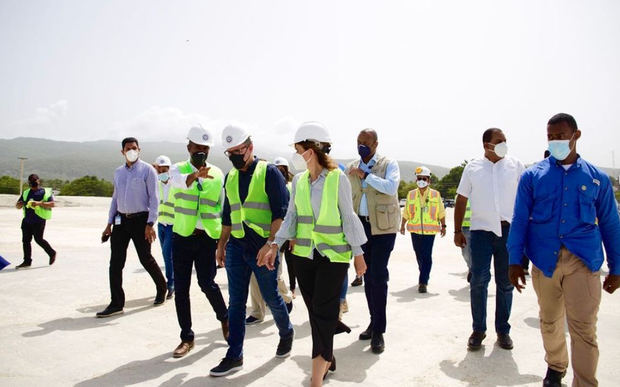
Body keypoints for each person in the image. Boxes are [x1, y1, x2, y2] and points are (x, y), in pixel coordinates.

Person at [508, 113, 620, 387]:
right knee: (549, 321)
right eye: (550, 136)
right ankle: (556, 367)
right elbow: (520, 219)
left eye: (560, 135)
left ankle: (584, 382)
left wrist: (617, 268)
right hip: (545, 262)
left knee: (583, 328)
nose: (555, 141)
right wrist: (514, 261)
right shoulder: (533, 176)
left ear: (575, 136)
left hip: (583, 262)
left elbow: (610, 224)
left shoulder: (598, 179)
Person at [258, 121, 367, 385]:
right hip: (304, 257)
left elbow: (348, 215)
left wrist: (358, 253)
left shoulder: (337, 178)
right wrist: (275, 244)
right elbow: (291, 217)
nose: (296, 155)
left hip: (333, 257)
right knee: (317, 313)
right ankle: (328, 348)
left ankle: (316, 378)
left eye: (299, 149)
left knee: (321, 310)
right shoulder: (299, 181)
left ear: (312, 149)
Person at [209, 124, 294, 377]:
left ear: (250, 148)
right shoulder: (230, 176)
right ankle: (235, 355)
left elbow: (281, 214)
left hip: (263, 247)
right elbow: (228, 214)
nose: (234, 156)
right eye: (230, 152)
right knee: (236, 302)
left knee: (270, 295)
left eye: (238, 150)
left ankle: (286, 331)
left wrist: (270, 245)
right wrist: (221, 244)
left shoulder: (268, 173)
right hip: (236, 246)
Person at [453, 128, 524, 351]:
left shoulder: (515, 166)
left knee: (505, 283)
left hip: (508, 233)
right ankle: (478, 330)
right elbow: (461, 199)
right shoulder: (473, 168)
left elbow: (527, 197)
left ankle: (503, 331)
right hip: (481, 233)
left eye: (505, 140)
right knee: (479, 281)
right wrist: (457, 231)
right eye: (499, 141)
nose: (504, 144)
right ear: (487, 145)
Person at [166, 126, 230, 358]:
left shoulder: (219, 173)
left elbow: (222, 206)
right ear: (189, 148)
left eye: (205, 149)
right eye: (197, 148)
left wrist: (223, 240)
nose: (201, 152)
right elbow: (178, 183)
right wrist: (195, 175)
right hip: (182, 236)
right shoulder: (178, 169)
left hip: (206, 239)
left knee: (207, 283)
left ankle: (225, 319)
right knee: (182, 289)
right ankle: (186, 337)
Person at [97, 137, 167, 318]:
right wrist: (109, 223)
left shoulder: (147, 171)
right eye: (128, 148)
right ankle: (116, 303)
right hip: (121, 221)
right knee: (116, 263)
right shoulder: (118, 172)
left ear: (139, 149)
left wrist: (150, 224)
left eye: (134, 148)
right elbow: (115, 198)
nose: (131, 151)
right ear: (122, 152)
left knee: (145, 258)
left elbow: (154, 199)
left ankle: (162, 288)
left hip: (141, 221)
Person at [346, 128, 400, 354]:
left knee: (378, 275)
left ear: (376, 144)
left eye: (366, 142)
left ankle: (379, 331)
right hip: (362, 226)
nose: (361, 146)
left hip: (384, 228)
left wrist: (366, 175)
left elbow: (391, 187)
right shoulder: (351, 167)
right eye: (359, 142)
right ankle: (373, 321)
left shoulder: (389, 164)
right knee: (367, 276)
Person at [245, 157, 294, 325]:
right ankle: (258, 312)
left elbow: (288, 216)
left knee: (276, 274)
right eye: (276, 168)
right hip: (254, 238)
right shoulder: (254, 186)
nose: (279, 171)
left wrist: (285, 238)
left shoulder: (287, 189)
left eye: (282, 168)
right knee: (254, 276)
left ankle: (286, 299)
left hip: (276, 239)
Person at [400, 166, 446, 293]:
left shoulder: (435, 194)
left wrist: (444, 226)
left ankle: (423, 281)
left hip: (430, 232)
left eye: (424, 179)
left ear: (429, 180)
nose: (421, 181)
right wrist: (402, 225)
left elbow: (441, 211)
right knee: (419, 255)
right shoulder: (411, 194)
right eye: (419, 178)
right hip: (415, 230)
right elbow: (406, 211)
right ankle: (424, 273)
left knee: (426, 256)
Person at [15, 174, 56, 268]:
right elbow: (17, 206)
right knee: (25, 241)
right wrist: (19, 205)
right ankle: (27, 261)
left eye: (35, 181)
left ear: (39, 181)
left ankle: (52, 253)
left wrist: (39, 203)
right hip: (27, 220)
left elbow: (52, 204)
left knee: (38, 239)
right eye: (31, 181)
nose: (33, 183)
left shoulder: (44, 192)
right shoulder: (26, 193)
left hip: (39, 220)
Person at [154, 155, 175, 299]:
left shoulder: (176, 184)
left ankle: (171, 284)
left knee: (168, 255)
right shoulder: (156, 184)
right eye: (159, 170)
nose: (162, 172)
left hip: (172, 226)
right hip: (161, 224)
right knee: (166, 255)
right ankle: (172, 281)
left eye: (165, 169)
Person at [457, 195, 473, 282]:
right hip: (465, 227)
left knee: (477, 252)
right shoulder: (461, 194)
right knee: (465, 252)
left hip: (478, 226)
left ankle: (474, 271)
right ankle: (471, 267)